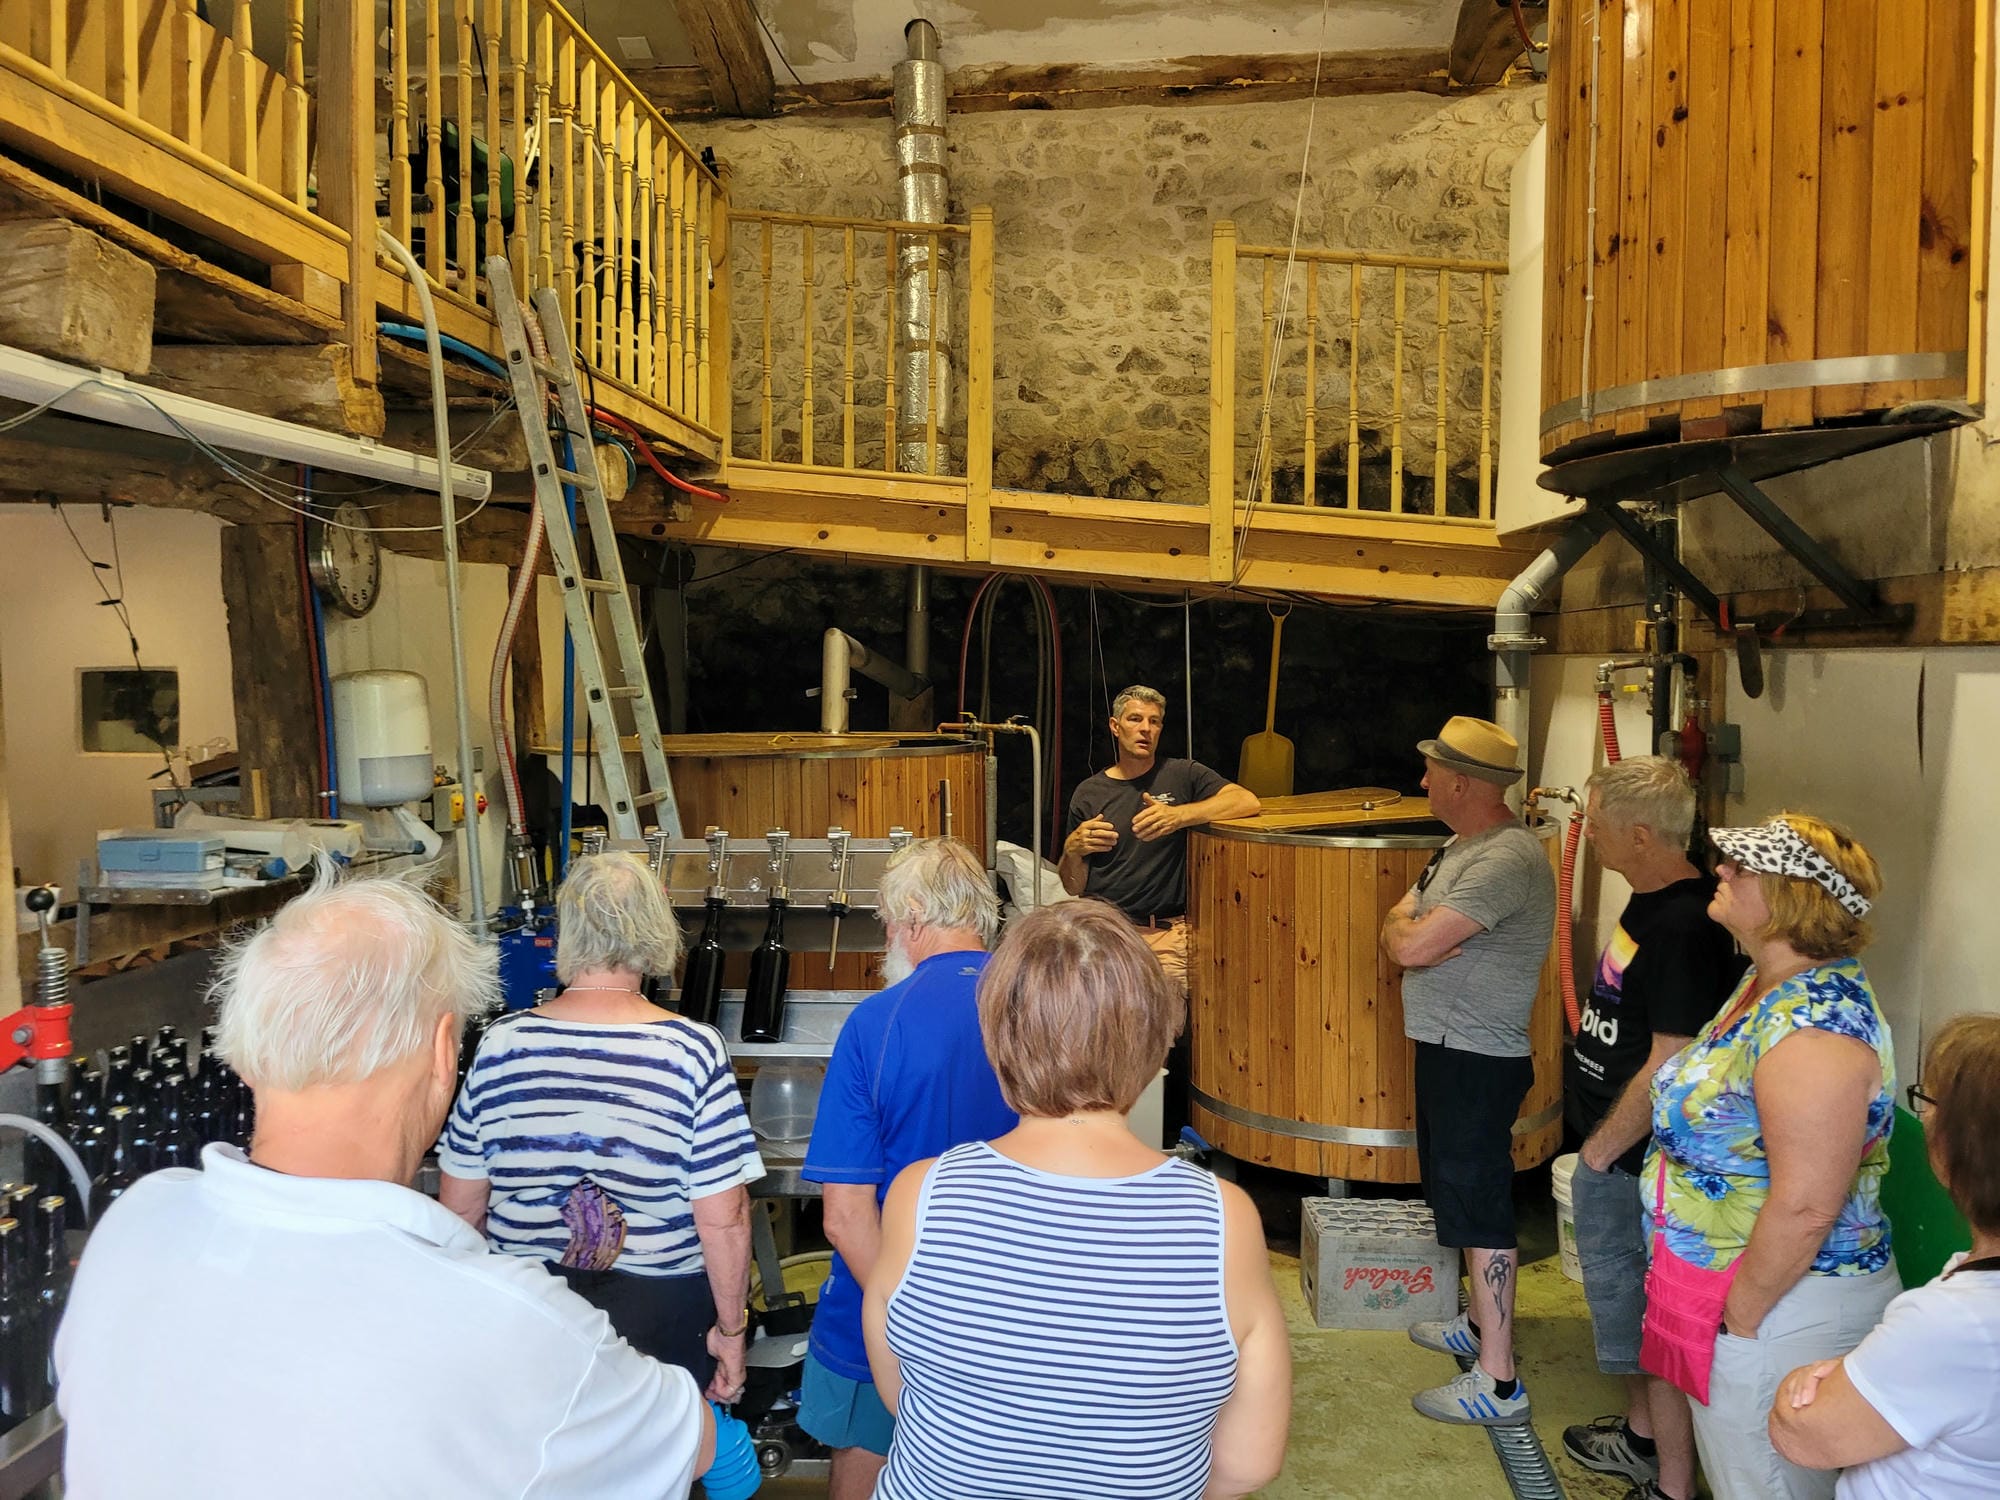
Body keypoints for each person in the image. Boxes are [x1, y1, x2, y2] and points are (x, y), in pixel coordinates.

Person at [55, 866, 714, 1496]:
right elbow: (703, 1446)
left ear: (249, 1048)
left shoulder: (132, 1229)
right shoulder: (512, 1328)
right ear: (441, 1052)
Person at [862, 900, 1291, 1500]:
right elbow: (1250, 1463)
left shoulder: (921, 1194)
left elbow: (904, 1392)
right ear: (1156, 1038)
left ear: (997, 1034)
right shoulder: (1222, 1218)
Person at [438, 852, 764, 1404]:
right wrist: (731, 1333)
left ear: (567, 931)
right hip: (661, 1311)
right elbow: (724, 1219)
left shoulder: (500, 1043)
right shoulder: (692, 1050)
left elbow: (462, 1207)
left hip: (529, 1304)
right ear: (656, 930)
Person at [1646, 813, 1899, 1500]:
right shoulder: (1766, 985)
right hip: (1741, 1295)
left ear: (1793, 898)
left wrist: (1741, 1321)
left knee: (1763, 1485)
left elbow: (1809, 1202)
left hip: (1784, 1309)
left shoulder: (1814, 1028)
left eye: (1743, 865)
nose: (1722, 870)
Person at [798, 837, 1018, 1500]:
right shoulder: (1039, 1008)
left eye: (889, 924)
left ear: (915, 919)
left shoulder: (875, 1023)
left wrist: (912, 1316)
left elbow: (844, 1217)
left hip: (885, 1317)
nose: (888, 939)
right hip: (1012, 1317)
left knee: (866, 1462)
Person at [1562, 758, 1746, 1500]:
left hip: (1637, 1158)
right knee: (1622, 1310)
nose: (1593, 838)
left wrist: (1602, 1151)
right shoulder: (1649, 902)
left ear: (1640, 833)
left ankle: (1664, 1469)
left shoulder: (1685, 925)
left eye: (1600, 825)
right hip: (1613, 1147)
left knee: (1642, 1311)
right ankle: (1641, 1435)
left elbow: (1671, 1058)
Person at [1382, 715, 1554, 1427]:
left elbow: (1413, 946)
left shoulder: (1504, 859)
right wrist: (1403, 931)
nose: (1421, 781)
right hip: (1450, 1047)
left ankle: (1499, 1380)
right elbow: (1402, 924)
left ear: (1462, 782)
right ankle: (1479, 1325)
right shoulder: (1461, 845)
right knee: (1455, 1192)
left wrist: (1405, 935)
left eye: (1431, 771)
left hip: (1477, 1057)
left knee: (1480, 1205)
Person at [1769, 1013, 2000, 1498]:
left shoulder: (1954, 1323)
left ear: (1962, 1147)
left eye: (1930, 1102)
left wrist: (1802, 1380)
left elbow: (1804, 1436)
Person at [1059, 683, 1260, 984]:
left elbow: (1246, 801)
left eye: (1154, 722)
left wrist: (1179, 816)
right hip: (1104, 934)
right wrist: (1071, 851)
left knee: (1163, 1024)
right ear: (1115, 727)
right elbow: (1073, 886)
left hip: (1165, 934)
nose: (1146, 729)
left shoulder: (1183, 774)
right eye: (1135, 719)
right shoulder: (1089, 793)